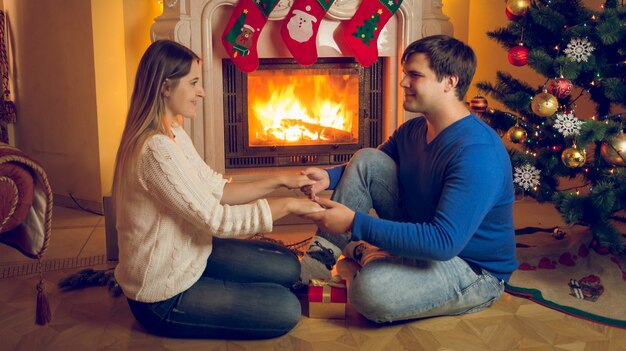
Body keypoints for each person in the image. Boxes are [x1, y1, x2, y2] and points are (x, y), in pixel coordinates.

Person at [111, 39, 324, 339]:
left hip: (194, 254)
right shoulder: (155, 151)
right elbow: (218, 220)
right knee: (285, 309)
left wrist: (280, 179)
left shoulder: (174, 131)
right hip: (163, 297)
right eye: (194, 82)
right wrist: (288, 206)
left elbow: (216, 189)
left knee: (289, 267)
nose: (202, 92)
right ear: (165, 87)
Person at [298, 35, 518, 323]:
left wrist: (355, 223)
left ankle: (371, 253)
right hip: (425, 232)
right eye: (404, 74)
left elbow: (443, 242)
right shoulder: (415, 128)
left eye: (414, 75)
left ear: (449, 82)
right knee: (366, 157)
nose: (402, 83)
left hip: (470, 267)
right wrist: (328, 177)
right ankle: (319, 261)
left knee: (370, 292)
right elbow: (368, 166)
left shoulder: (478, 153)